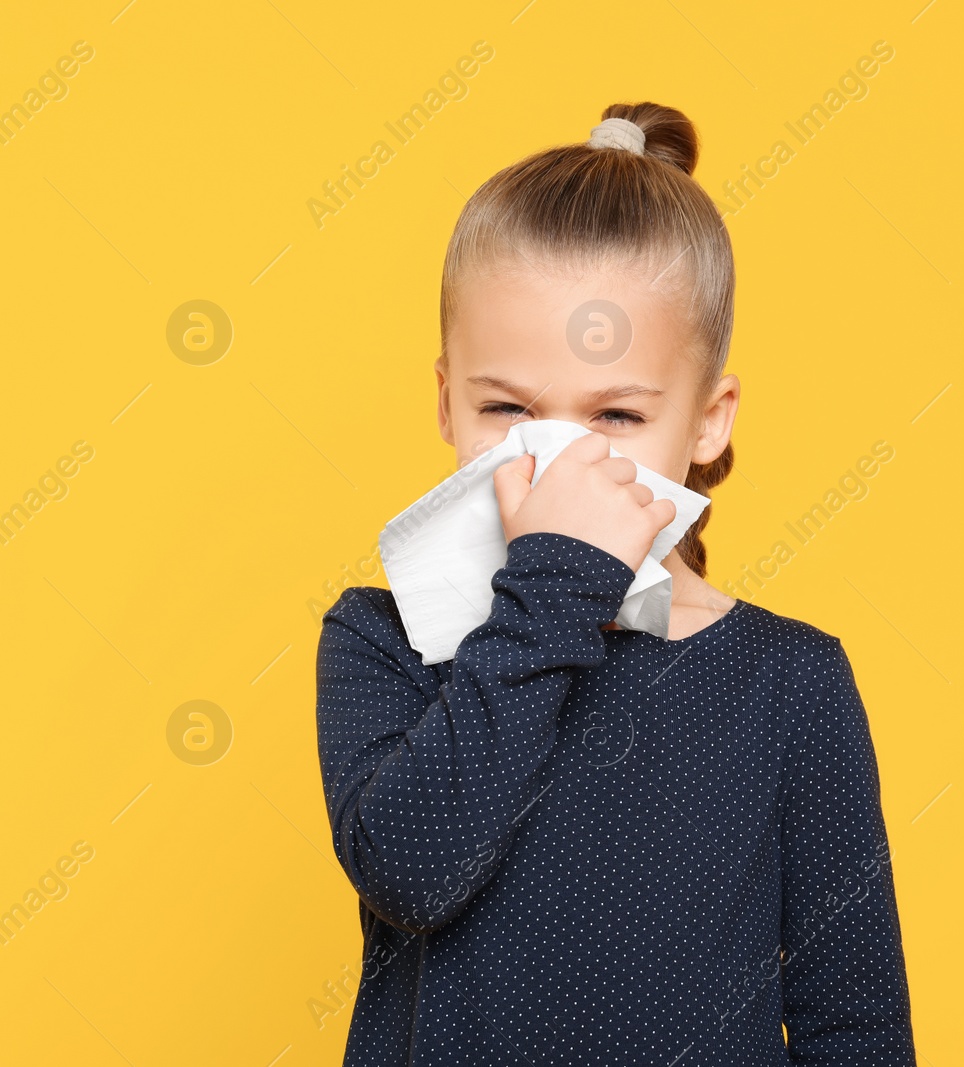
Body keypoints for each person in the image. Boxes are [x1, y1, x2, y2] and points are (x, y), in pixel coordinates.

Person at [314, 101, 916, 1066]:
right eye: (508, 407)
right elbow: (412, 872)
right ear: (444, 402)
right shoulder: (384, 639)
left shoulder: (792, 680)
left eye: (618, 416)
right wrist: (554, 588)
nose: (559, 460)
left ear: (708, 421)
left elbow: (858, 1025)